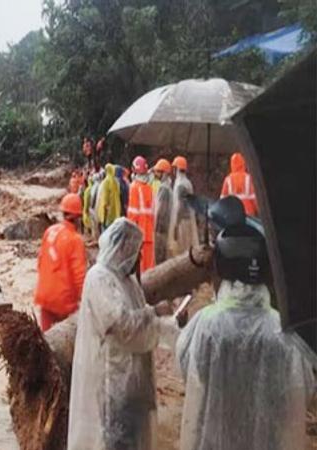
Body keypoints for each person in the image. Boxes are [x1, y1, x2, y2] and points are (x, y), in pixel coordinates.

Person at [176, 198, 315, 450]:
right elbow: (303, 390)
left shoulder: (204, 327)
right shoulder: (285, 333)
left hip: (215, 439)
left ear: (221, 268)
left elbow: (188, 371)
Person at [68, 218, 176, 450]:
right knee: (113, 440)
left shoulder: (128, 280)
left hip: (133, 381)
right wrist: (154, 313)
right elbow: (120, 323)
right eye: (134, 252)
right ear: (121, 248)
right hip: (111, 378)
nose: (137, 258)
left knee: (134, 439)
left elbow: (140, 316)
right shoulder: (100, 278)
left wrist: (163, 322)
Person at [34, 193, 88, 331]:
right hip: (63, 302)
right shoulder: (75, 240)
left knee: (46, 340)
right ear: (78, 218)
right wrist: (85, 301)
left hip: (44, 295)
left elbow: (40, 262)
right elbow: (79, 277)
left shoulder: (49, 231)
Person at [127, 156, 155, 272]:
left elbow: (133, 214)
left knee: (141, 269)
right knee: (150, 267)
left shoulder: (134, 187)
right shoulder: (149, 188)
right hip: (150, 233)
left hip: (139, 234)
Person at [168, 156, 199, 257]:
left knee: (182, 252)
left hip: (182, 222)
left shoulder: (181, 184)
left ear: (177, 168)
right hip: (187, 220)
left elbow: (180, 206)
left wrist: (176, 224)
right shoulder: (187, 182)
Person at [220, 152, 258, 216]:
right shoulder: (248, 178)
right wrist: (258, 210)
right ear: (243, 164)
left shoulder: (228, 179)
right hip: (248, 211)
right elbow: (254, 197)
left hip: (233, 211)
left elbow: (223, 199)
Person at [152, 159, 173, 265]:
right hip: (164, 228)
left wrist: (156, 228)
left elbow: (161, 210)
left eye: (158, 171)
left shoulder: (164, 189)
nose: (155, 174)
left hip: (161, 229)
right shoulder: (167, 187)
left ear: (163, 173)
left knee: (160, 257)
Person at [95, 164, 121, 232]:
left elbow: (105, 198)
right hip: (116, 211)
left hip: (108, 212)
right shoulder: (116, 182)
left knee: (106, 233)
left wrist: (104, 210)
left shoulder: (106, 182)